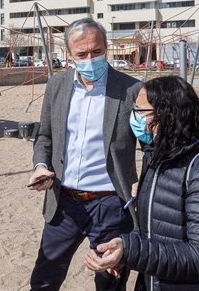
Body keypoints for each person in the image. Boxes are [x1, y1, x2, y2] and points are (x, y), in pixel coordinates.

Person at [83, 75, 199, 290]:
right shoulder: (158, 158)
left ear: (166, 116)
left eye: (140, 111)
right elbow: (156, 229)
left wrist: (132, 251)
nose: (134, 118)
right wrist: (124, 251)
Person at [28, 18, 142, 291]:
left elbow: (151, 143)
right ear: (69, 55)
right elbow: (45, 135)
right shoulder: (57, 85)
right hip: (63, 202)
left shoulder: (131, 90)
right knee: (44, 279)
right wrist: (40, 165)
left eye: (97, 51)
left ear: (106, 48)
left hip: (111, 205)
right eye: (82, 54)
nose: (90, 59)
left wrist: (145, 179)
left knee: (110, 282)